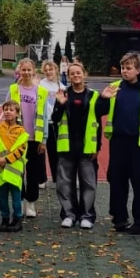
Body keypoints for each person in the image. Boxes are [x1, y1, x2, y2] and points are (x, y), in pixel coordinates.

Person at [99, 52, 140, 234]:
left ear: (138, 70)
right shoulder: (115, 88)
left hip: (139, 144)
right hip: (118, 142)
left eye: (129, 68)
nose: (125, 71)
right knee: (117, 180)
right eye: (123, 68)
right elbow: (100, 111)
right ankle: (119, 218)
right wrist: (103, 98)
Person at [50, 60, 101, 229]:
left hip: (87, 147)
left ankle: (87, 216)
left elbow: (98, 122)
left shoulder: (93, 95)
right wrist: (60, 105)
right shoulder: (63, 94)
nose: (75, 75)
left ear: (84, 74)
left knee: (88, 183)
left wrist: (97, 147)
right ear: (69, 76)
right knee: (65, 183)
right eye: (72, 73)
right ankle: (69, 214)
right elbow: (55, 119)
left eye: (78, 72)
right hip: (67, 146)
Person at [7, 59, 49, 219]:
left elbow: (45, 116)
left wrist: (44, 139)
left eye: (28, 70)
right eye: (23, 70)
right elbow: (6, 112)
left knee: (32, 173)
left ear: (33, 71)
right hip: (16, 139)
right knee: (18, 173)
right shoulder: (13, 89)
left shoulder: (42, 91)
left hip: (34, 139)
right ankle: (19, 201)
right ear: (19, 71)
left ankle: (30, 203)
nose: (26, 73)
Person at [0, 100, 27, 233]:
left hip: (14, 171)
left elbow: (21, 149)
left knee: (16, 196)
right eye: (6, 110)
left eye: (11, 110)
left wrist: (6, 159)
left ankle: (17, 219)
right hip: (0, 170)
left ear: (17, 113)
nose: (8, 112)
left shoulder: (21, 131)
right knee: (2, 197)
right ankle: (5, 219)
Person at [39, 60, 62, 189]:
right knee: (40, 152)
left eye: (50, 69)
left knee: (55, 152)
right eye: (46, 70)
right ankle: (41, 179)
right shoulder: (40, 85)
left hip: (56, 123)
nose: (48, 72)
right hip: (43, 123)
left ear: (56, 70)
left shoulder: (61, 86)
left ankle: (57, 178)